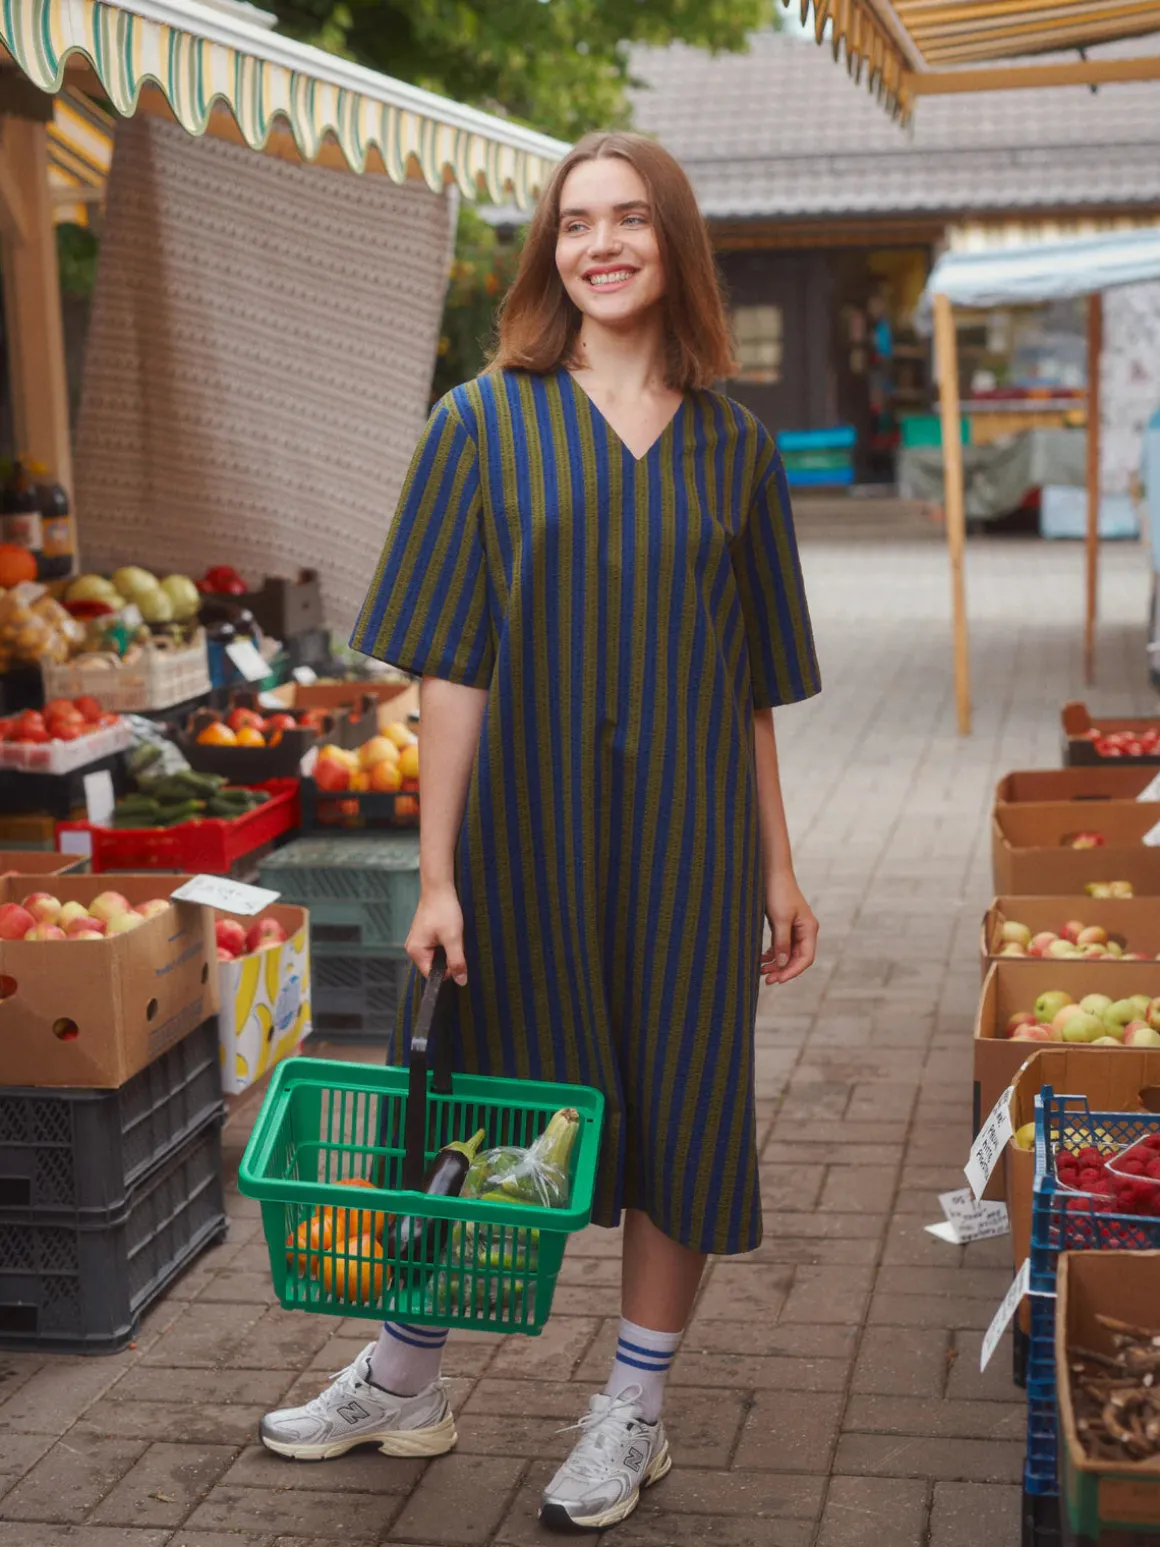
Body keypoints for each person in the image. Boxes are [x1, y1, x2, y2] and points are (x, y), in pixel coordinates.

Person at [259, 129, 821, 1533]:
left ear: (674, 243)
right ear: (549, 251)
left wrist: (780, 863)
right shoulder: (480, 423)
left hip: (690, 845)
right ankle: (405, 1373)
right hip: (521, 838)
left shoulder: (737, 451)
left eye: (632, 219)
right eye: (578, 224)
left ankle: (632, 1406)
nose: (604, 244)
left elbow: (751, 686)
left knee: (682, 1102)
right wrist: (434, 874)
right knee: (472, 1098)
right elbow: (451, 666)